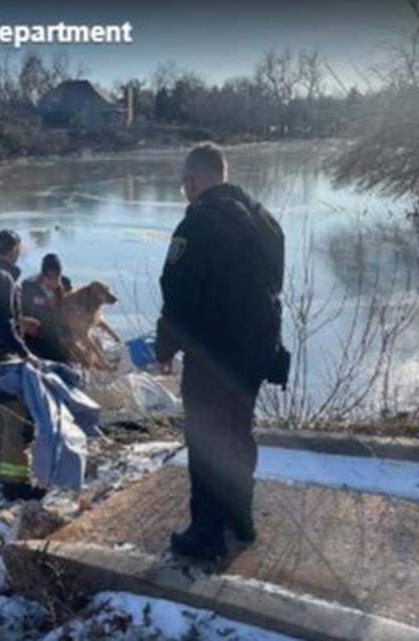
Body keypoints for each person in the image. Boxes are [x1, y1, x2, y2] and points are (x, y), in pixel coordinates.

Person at [156, 142, 284, 560]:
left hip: (212, 358)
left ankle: (206, 534)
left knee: (207, 439)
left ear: (192, 181)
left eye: (184, 185)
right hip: (254, 355)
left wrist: (164, 348)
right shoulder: (265, 220)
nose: (185, 193)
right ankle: (240, 520)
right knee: (237, 435)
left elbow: (176, 295)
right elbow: (274, 286)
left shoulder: (197, 225)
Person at [0, 230, 48, 501]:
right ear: (14, 249)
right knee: (17, 419)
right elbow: (3, 326)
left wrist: (21, 322)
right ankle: (15, 483)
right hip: (3, 360)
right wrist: (27, 353)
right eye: (19, 247)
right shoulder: (2, 279)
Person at [21, 253, 74, 363]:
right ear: (42, 275)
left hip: (59, 333)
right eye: (49, 279)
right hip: (37, 336)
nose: (54, 282)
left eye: (57, 278)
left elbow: (71, 309)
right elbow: (21, 312)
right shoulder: (29, 286)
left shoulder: (66, 284)